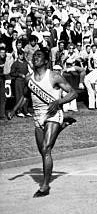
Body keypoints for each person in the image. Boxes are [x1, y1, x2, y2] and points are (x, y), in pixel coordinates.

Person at [6, 48, 78, 197]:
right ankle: (62, 126)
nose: (35, 58)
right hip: (38, 117)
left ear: (46, 61)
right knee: (43, 151)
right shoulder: (28, 78)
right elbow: (25, 97)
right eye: (34, 56)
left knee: (46, 149)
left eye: (39, 56)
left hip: (53, 114)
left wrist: (58, 102)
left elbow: (73, 93)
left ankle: (45, 186)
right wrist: (14, 110)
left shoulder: (54, 76)